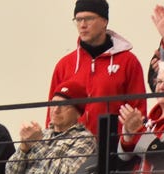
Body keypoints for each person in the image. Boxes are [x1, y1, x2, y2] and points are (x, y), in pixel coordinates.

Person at [48, 0, 147, 135]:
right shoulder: (64, 65)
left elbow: (138, 111)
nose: (82, 25)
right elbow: (51, 113)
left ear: (104, 21)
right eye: (78, 19)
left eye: (89, 18)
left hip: (113, 149)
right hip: (72, 149)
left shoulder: (129, 62)